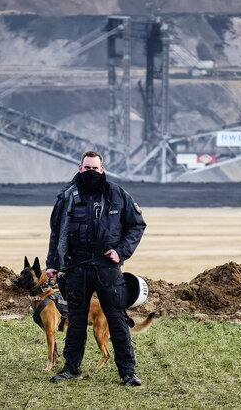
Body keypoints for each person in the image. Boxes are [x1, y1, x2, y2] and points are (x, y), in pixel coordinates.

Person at [45, 150, 147, 386]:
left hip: (107, 269)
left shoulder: (117, 194)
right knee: (76, 321)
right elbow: (56, 232)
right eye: (87, 168)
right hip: (76, 268)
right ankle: (71, 369)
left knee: (117, 320)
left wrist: (120, 252)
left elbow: (137, 225)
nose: (91, 172)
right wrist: (52, 264)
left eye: (95, 168)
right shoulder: (67, 197)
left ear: (102, 169)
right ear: (80, 168)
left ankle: (128, 373)